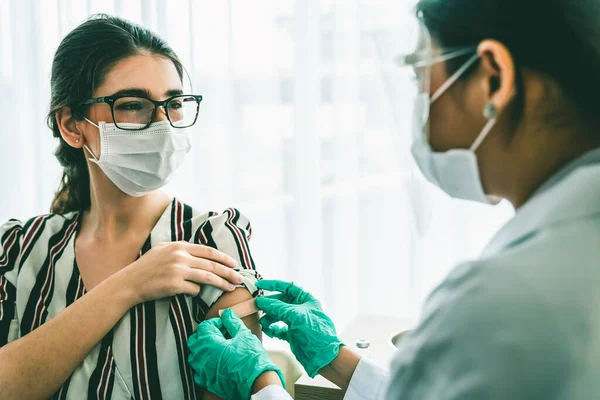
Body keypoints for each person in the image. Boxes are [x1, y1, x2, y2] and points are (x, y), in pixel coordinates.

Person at [187, 0, 600, 398]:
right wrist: (339, 361)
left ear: (493, 79)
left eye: (421, 71)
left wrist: (263, 386)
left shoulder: (498, 301)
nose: (420, 99)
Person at [0, 14, 280, 400]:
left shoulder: (212, 241)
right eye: (133, 104)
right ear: (72, 126)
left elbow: (235, 388)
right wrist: (129, 284)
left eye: (175, 102)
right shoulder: (19, 247)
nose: (164, 123)